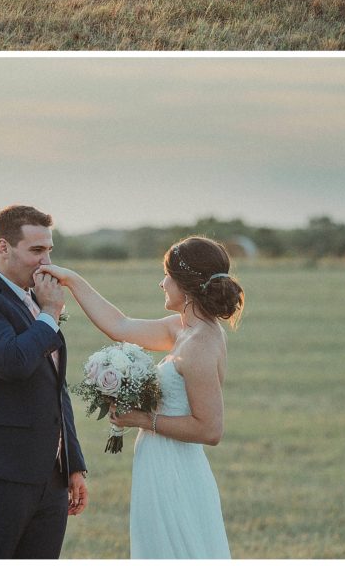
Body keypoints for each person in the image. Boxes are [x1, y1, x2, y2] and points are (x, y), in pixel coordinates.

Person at [38, 235, 244, 559]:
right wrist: (72, 281)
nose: (161, 283)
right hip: (157, 463)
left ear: (185, 285)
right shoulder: (182, 329)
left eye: (167, 276)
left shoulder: (200, 343)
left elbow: (210, 430)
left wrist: (142, 419)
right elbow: (119, 325)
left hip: (177, 471)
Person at [0, 205, 88, 559]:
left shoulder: (35, 299)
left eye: (49, 250)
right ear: (3, 247)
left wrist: (73, 463)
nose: (46, 262)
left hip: (48, 477)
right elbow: (13, 363)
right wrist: (51, 313)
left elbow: (55, 386)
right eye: (36, 251)